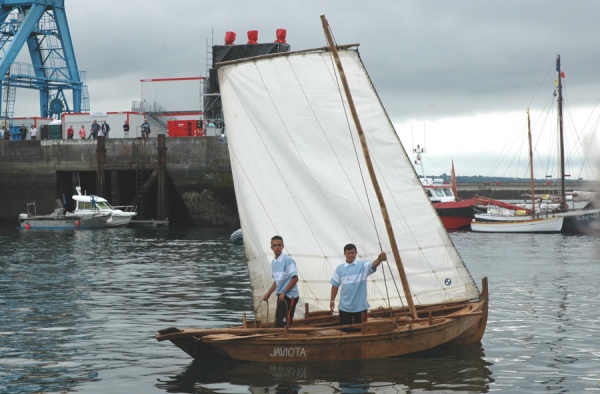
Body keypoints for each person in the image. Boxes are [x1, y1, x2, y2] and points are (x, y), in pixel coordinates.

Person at [330, 244, 386, 325]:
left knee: (362, 329)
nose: (350, 255)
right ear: (344, 254)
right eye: (348, 253)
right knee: (345, 330)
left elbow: (372, 265)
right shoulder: (340, 268)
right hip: (344, 307)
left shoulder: (363, 265)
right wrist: (332, 300)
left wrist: (379, 259)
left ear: (356, 253)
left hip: (360, 307)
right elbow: (335, 285)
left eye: (352, 253)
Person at [262, 235, 300, 328]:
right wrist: (269, 292)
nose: (277, 247)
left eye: (279, 245)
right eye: (274, 245)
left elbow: (295, 278)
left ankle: (287, 340)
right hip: (281, 296)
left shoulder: (288, 260)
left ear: (283, 246)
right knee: (279, 322)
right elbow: (277, 281)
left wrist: (284, 291)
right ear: (271, 248)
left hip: (290, 296)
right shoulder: (273, 262)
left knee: (285, 324)